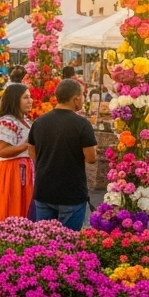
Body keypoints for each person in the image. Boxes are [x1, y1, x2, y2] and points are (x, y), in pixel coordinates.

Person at [27, 78, 97, 231]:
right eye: (83, 96)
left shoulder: (39, 122)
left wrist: (48, 162)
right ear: (76, 98)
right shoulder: (82, 124)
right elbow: (91, 158)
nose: (83, 100)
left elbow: (31, 150)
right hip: (71, 193)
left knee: (44, 242)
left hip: (44, 189)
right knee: (68, 244)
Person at [0, 83, 34, 220]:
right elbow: (3, 151)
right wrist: (27, 145)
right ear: (15, 99)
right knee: (13, 208)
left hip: (23, 168)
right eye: (26, 97)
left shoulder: (23, 120)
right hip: (11, 170)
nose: (30, 101)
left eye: (30, 97)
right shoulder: (7, 121)